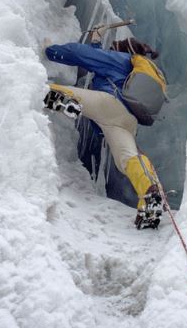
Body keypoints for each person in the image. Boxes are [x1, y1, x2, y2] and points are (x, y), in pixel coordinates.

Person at [43, 27, 164, 229]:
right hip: (127, 122)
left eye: (114, 47)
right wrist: (96, 39)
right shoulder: (141, 73)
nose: (112, 48)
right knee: (127, 159)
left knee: (45, 91)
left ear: (125, 50)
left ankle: (62, 102)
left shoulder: (120, 59)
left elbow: (84, 55)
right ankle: (150, 191)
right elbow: (98, 58)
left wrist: (50, 50)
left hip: (108, 104)